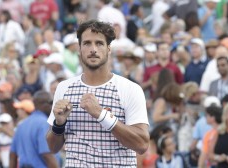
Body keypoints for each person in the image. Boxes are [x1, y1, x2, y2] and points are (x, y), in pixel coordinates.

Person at [46, 20, 150, 167]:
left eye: (99, 43)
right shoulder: (64, 87)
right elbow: (52, 148)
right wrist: (59, 124)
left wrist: (101, 115)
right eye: (87, 43)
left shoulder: (130, 89)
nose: (93, 49)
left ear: (108, 49)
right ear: (79, 49)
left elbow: (142, 144)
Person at [10, 91, 59, 168]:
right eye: (51, 102)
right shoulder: (43, 124)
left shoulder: (22, 125)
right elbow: (47, 155)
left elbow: (12, 155)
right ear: (43, 104)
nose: (53, 106)